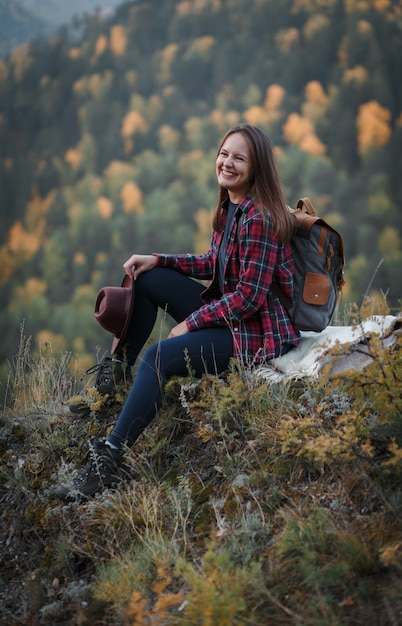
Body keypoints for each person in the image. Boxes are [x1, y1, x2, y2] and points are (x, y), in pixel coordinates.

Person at [54, 123, 299, 500]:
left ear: (257, 167)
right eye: (224, 153)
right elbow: (212, 263)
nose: (227, 163)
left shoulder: (259, 218)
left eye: (239, 158)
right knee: (148, 279)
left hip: (256, 333)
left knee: (159, 358)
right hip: (234, 316)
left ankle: (109, 460)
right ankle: (119, 375)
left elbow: (249, 297)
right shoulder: (231, 206)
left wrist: (191, 323)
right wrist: (156, 260)